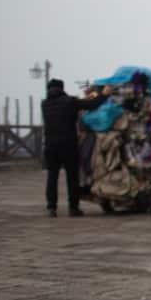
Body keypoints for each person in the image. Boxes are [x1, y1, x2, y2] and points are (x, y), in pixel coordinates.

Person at [41, 79, 105, 217]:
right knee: (72, 177)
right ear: (62, 88)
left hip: (50, 146)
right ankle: (73, 208)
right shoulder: (69, 102)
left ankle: (51, 208)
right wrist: (104, 95)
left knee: (52, 177)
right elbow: (92, 104)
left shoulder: (44, 104)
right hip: (68, 145)